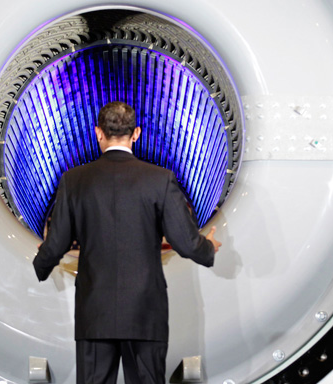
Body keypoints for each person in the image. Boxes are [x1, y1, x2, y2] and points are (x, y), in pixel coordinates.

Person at [33, 101, 221, 384]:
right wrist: (208, 248)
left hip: (95, 311)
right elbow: (185, 242)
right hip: (146, 311)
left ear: (98, 133)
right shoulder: (160, 180)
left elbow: (56, 243)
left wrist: (41, 262)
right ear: (136, 134)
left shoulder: (74, 181)